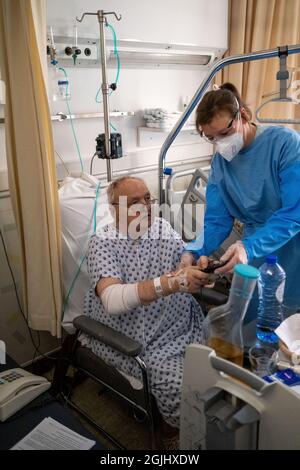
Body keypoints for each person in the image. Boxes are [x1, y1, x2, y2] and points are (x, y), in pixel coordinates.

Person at [83, 176, 209, 446]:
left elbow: (182, 267)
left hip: (184, 322)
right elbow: (113, 300)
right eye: (134, 202)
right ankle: (175, 436)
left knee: (224, 362)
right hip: (142, 341)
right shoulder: (102, 243)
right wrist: (170, 283)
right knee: (182, 388)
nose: (146, 206)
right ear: (114, 208)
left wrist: (196, 269)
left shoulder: (161, 227)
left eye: (147, 198)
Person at [181, 82, 300, 321]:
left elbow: (294, 213)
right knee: (253, 321)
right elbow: (216, 221)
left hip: (292, 245)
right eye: (212, 138)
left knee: (290, 328)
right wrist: (193, 251)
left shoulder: (284, 144)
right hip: (254, 253)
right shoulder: (220, 164)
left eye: (225, 134)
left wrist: (247, 247)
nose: (221, 144)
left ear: (243, 115)